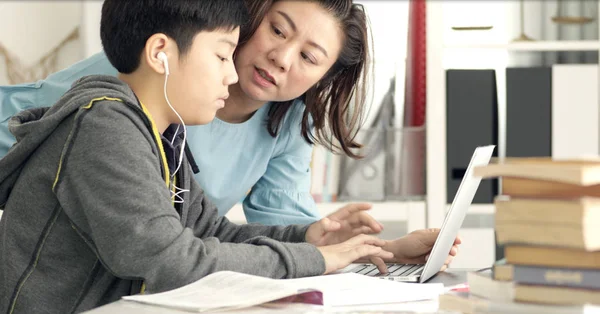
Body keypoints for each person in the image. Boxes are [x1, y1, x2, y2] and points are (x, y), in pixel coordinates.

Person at [0, 1, 460, 313]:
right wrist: (318, 259)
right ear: (161, 54)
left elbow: (209, 231)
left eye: (309, 57)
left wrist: (336, 244)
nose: (231, 72)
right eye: (223, 55)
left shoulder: (166, 129)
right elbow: (176, 262)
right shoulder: (108, 120)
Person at [0, 0, 373, 226]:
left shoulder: (288, 121)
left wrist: (366, 251)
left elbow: (285, 222)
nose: (282, 57)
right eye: (277, 30)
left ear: (326, 76)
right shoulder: (154, 70)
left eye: (309, 57)